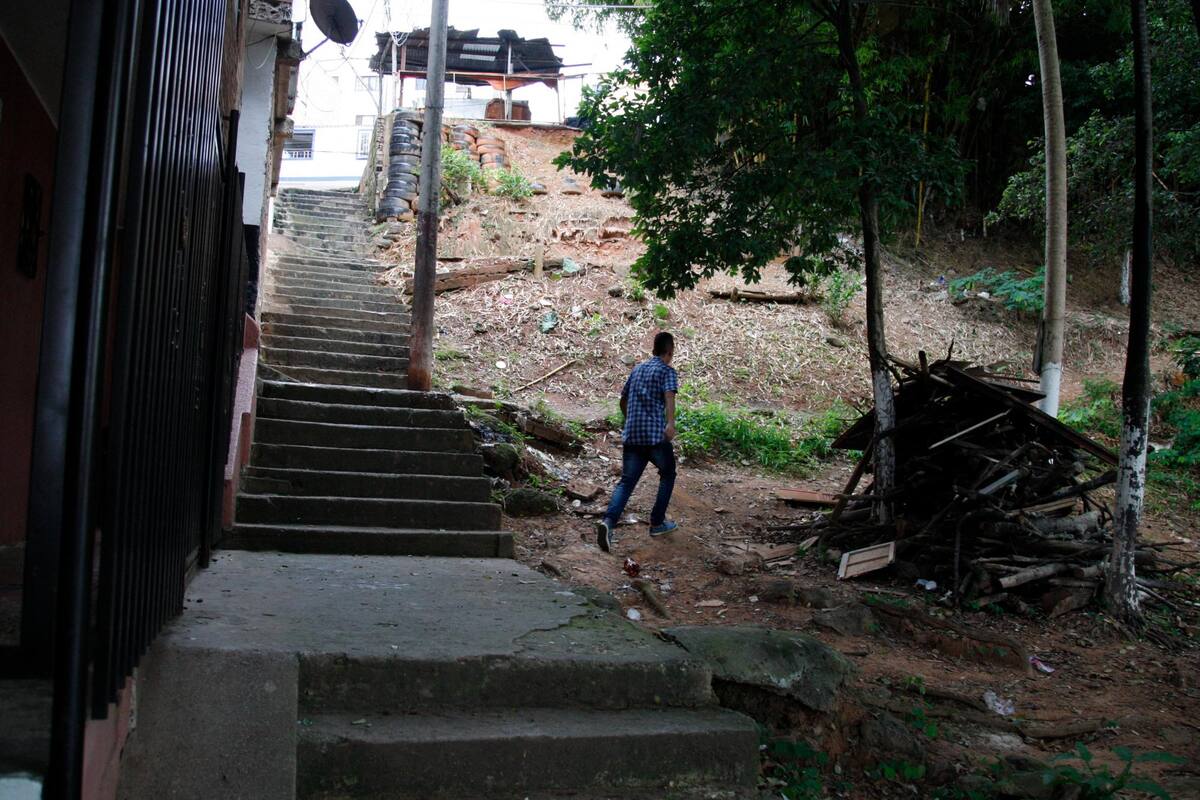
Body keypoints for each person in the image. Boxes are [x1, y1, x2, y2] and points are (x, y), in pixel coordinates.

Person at [596, 331, 680, 552]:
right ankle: (657, 523)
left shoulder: (637, 370)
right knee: (668, 473)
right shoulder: (667, 371)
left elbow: (623, 401)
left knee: (626, 482)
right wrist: (670, 423)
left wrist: (630, 420)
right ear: (670, 351)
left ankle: (608, 523)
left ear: (654, 349)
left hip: (632, 435)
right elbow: (669, 396)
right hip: (654, 436)